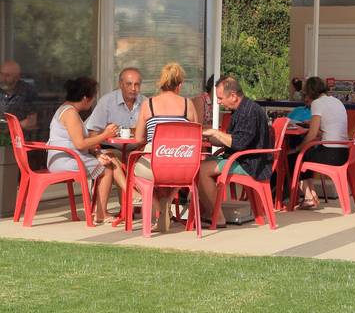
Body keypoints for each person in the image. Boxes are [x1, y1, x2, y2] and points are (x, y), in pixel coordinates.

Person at [47, 77, 127, 224]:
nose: (93, 101)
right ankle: (102, 212)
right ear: (85, 98)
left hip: (65, 157)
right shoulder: (70, 113)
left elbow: (78, 143)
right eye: (93, 97)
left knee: (108, 156)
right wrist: (105, 135)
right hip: (65, 160)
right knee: (107, 167)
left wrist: (96, 153)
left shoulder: (66, 109)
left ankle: (128, 194)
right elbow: (80, 144)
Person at [132, 63, 200, 231]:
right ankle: (167, 201)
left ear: (160, 83)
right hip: (183, 167)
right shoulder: (188, 104)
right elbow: (196, 136)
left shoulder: (149, 104)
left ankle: (160, 207)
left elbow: (138, 138)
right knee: (172, 175)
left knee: (134, 171)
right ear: (180, 85)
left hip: (154, 166)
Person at [198, 76, 272, 226]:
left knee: (201, 170)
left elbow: (238, 143)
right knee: (200, 165)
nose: (218, 102)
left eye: (220, 98)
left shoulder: (248, 112)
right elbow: (233, 139)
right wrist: (209, 137)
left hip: (251, 164)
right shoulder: (242, 109)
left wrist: (215, 133)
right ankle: (208, 211)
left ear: (233, 96)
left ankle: (217, 217)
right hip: (246, 159)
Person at [294, 76, 349, 210]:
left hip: (331, 154)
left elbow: (312, 135)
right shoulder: (337, 101)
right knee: (307, 153)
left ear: (310, 92)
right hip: (344, 153)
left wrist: (297, 148)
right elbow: (327, 130)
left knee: (297, 156)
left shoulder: (317, 103)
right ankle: (311, 195)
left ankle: (308, 197)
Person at [85, 67, 144, 134]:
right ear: (120, 84)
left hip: (139, 141)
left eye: (137, 84)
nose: (133, 88)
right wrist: (108, 132)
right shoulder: (106, 102)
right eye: (129, 84)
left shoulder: (146, 103)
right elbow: (92, 132)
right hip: (108, 141)